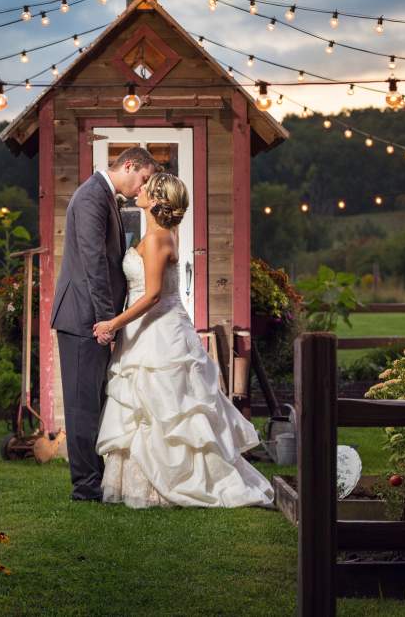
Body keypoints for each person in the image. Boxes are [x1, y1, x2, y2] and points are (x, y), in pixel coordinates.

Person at [94, 173, 274, 509]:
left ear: (157, 201)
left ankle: (179, 483)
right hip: (145, 330)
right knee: (145, 408)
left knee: (171, 408)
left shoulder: (159, 239)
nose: (141, 189)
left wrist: (112, 324)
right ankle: (145, 485)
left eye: (148, 188)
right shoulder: (158, 235)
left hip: (160, 328)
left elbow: (151, 296)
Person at [51, 146, 158, 502]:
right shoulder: (91, 198)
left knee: (94, 400)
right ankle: (85, 486)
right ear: (130, 165)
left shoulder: (104, 197)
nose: (142, 187)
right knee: (83, 405)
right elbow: (95, 264)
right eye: (143, 178)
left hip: (91, 317)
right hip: (83, 317)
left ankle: (95, 478)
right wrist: (105, 321)